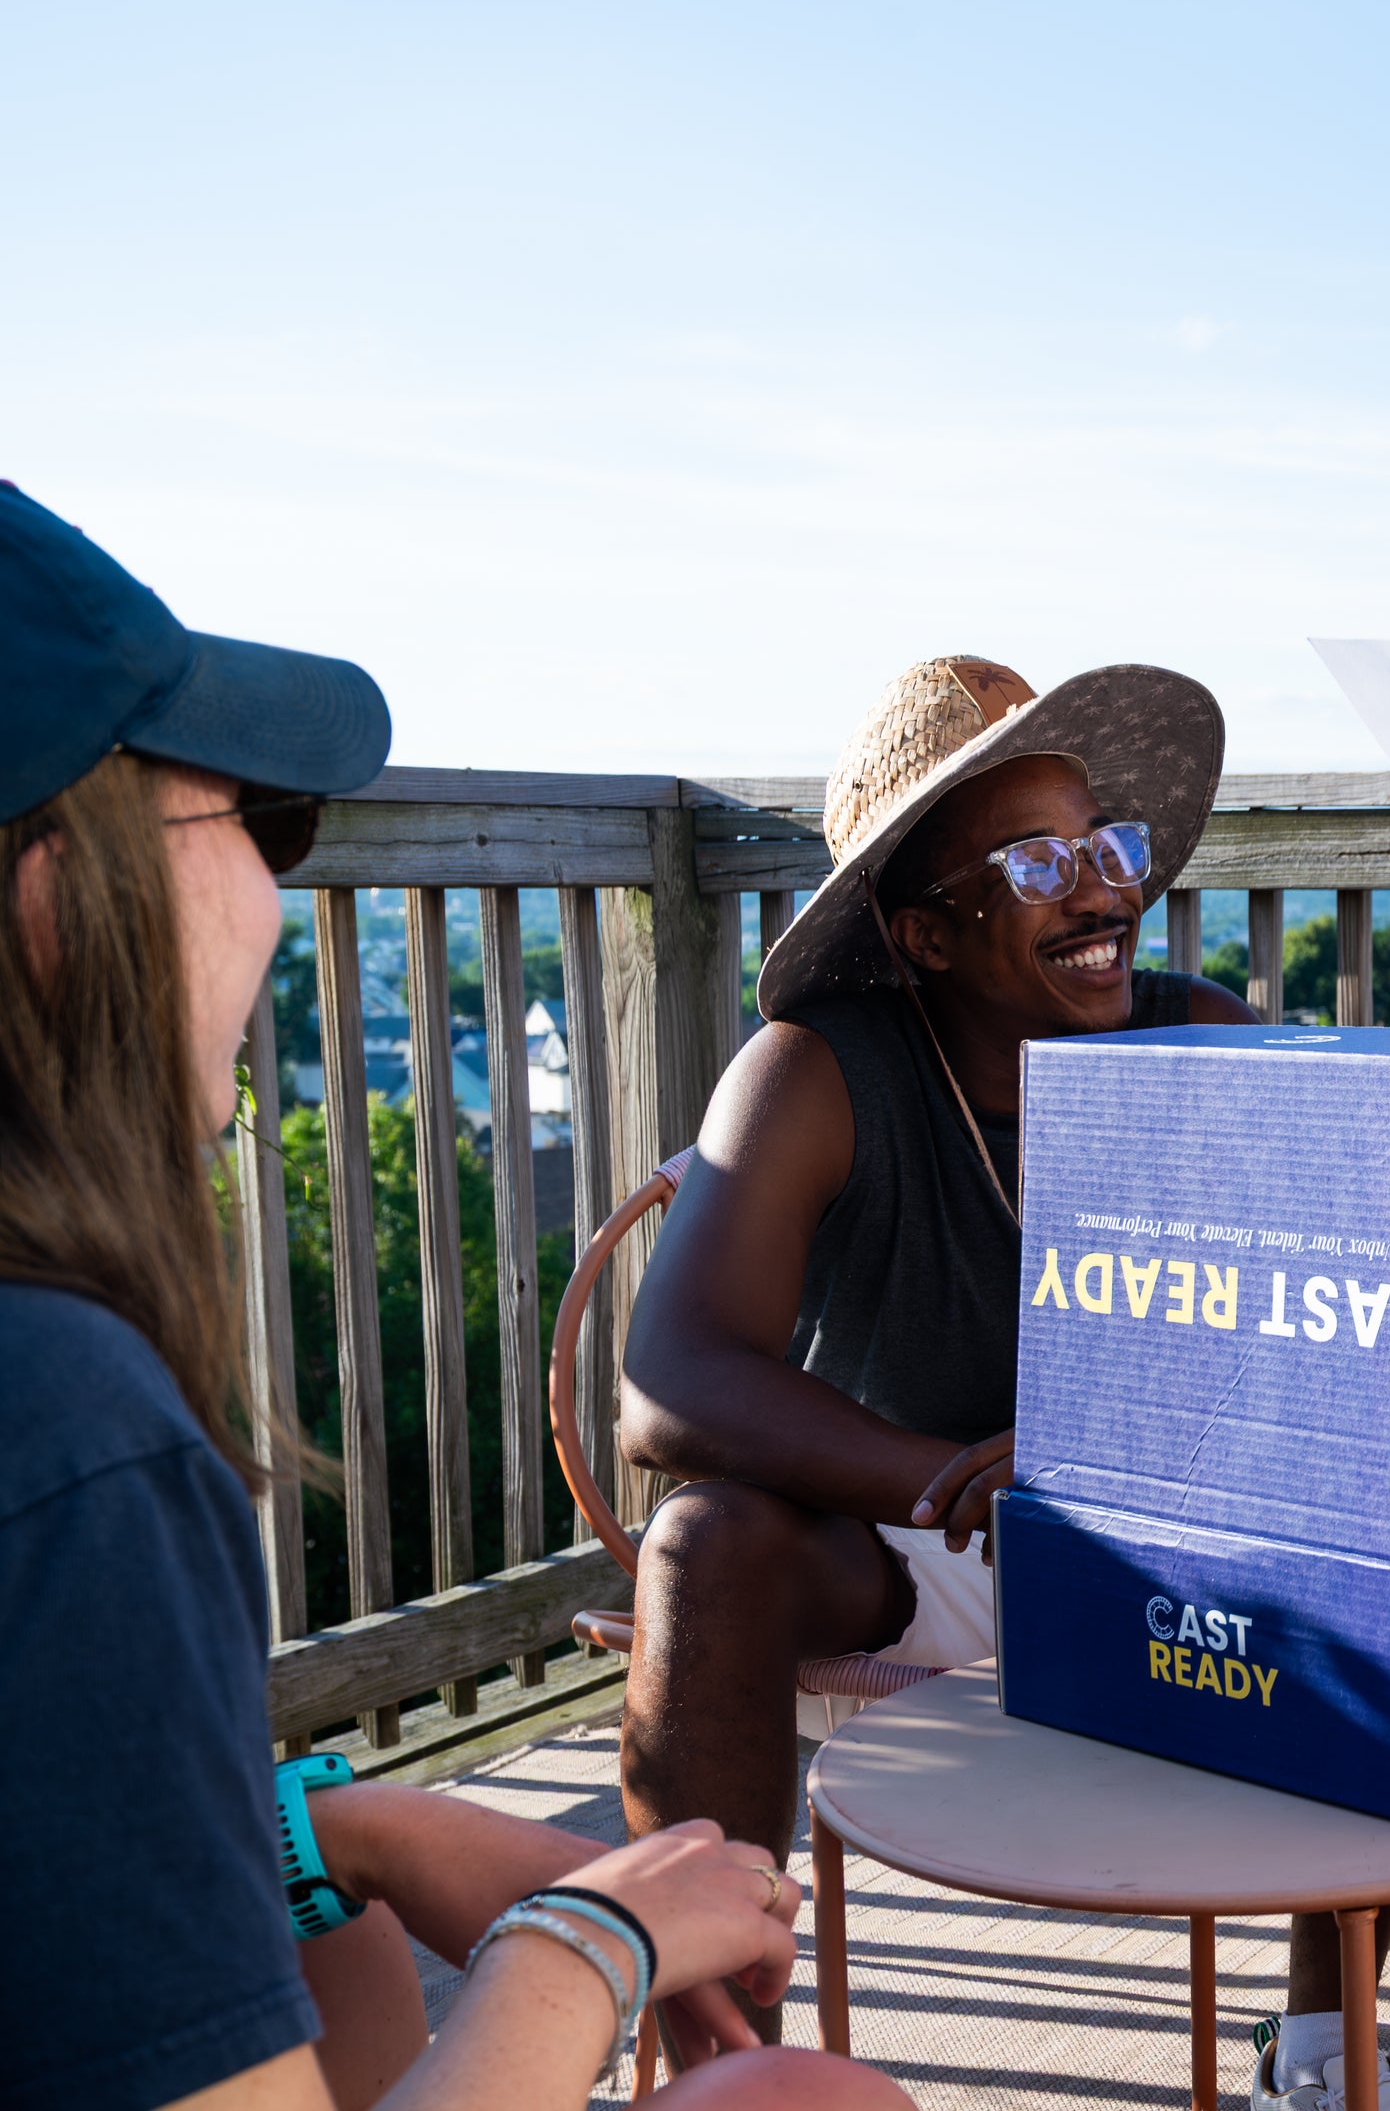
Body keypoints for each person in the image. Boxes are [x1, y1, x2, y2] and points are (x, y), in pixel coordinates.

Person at [0, 480, 908, 2110]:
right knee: (804, 2099)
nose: (278, 899)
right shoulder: (59, 1431)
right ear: (62, 900)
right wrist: (584, 1942)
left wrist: (341, 1824)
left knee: (328, 1926)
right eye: (253, 827)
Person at [615, 661, 1390, 2107]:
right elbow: (667, 1382)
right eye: (1042, 863)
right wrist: (938, 1472)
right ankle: (724, 2061)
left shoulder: (1205, 1038)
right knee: (703, 1542)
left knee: (1347, 1521)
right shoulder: (816, 1071)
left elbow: (1365, 1321)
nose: (1105, 889)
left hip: (1166, 1530)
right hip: (929, 1533)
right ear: (924, 929)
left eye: (1108, 847)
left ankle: (1322, 2054)